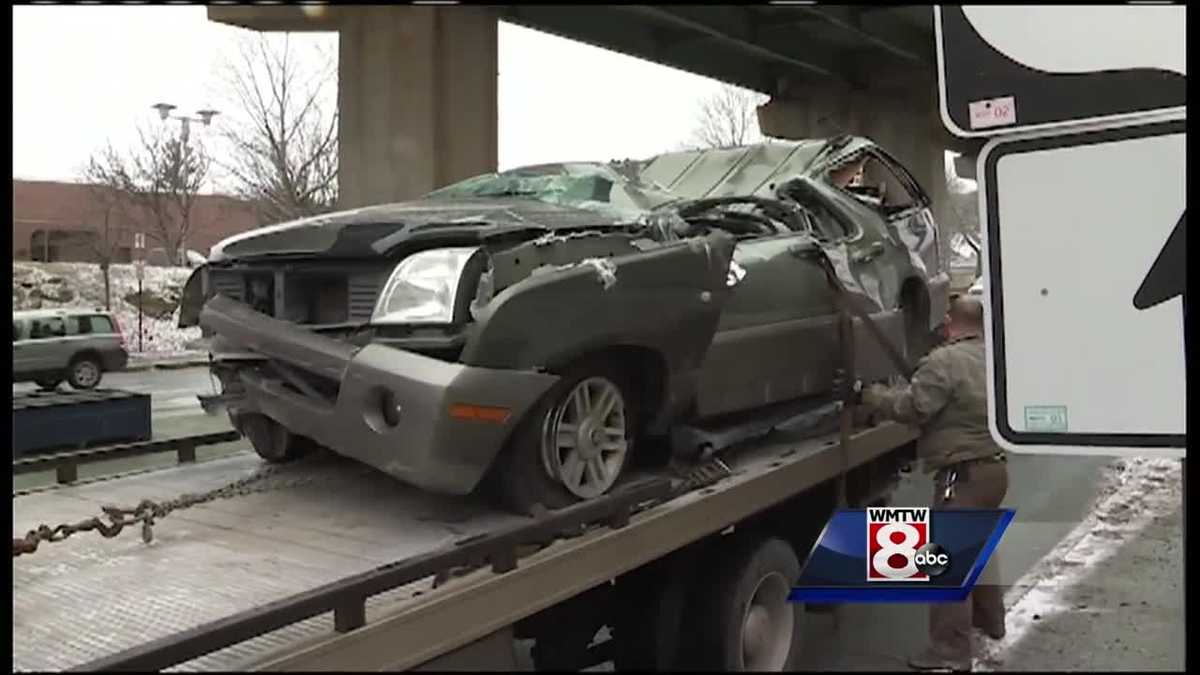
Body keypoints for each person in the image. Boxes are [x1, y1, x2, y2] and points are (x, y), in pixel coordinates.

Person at [857, 295, 1008, 672]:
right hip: (994, 471)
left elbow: (914, 408)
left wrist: (870, 394)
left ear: (948, 322)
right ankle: (991, 620)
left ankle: (950, 650)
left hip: (962, 474)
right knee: (979, 548)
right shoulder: (996, 358)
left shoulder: (945, 361)